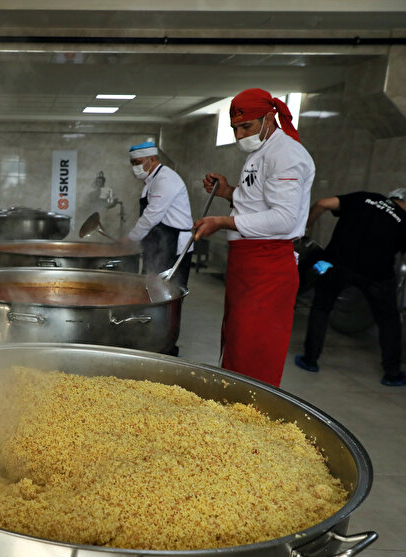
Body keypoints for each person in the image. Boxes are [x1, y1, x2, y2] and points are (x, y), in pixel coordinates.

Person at [193, 89, 315, 387]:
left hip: (269, 264)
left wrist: (223, 222)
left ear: (269, 118)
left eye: (246, 126)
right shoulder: (259, 153)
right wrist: (227, 192)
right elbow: (257, 202)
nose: (239, 134)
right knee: (236, 341)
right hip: (247, 263)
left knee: (255, 351)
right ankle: (231, 410)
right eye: (234, 128)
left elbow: (284, 219)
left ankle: (249, 419)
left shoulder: (285, 154)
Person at [294, 189, 406, 386]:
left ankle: (310, 360)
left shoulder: (366, 197)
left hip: (336, 265)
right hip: (377, 277)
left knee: (321, 308)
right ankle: (392, 373)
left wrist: (306, 228)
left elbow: (322, 203)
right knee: (389, 322)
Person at [123, 141, 194, 288]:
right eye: (132, 163)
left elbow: (151, 216)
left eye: (138, 162)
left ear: (153, 159)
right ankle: (149, 311)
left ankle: (163, 312)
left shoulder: (165, 179)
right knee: (151, 287)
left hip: (173, 244)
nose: (135, 167)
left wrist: (131, 238)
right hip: (159, 241)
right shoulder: (152, 180)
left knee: (169, 290)